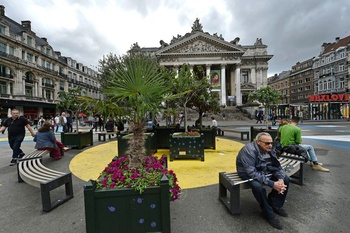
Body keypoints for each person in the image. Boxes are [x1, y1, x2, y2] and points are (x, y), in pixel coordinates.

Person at [236, 132, 289, 230]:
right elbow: (251, 172)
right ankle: (268, 213)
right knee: (257, 186)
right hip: (247, 173)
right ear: (258, 142)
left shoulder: (270, 150)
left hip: (263, 169)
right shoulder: (249, 150)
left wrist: (280, 179)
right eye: (267, 143)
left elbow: (277, 167)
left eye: (271, 143)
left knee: (286, 179)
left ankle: (275, 204)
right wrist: (272, 183)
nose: (270, 145)